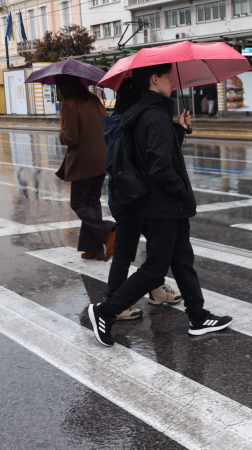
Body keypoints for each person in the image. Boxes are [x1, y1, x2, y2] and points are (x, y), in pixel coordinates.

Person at [88, 63, 232, 346]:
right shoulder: (155, 116)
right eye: (168, 76)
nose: (172, 82)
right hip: (164, 206)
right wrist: (183, 194)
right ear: (155, 79)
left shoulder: (144, 112)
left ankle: (198, 316)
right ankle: (105, 311)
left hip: (159, 205)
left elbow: (149, 154)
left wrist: (177, 129)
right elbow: (160, 168)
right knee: (155, 269)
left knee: (182, 261)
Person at [102, 76, 182, 321]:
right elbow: (138, 161)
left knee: (155, 246)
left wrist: (177, 128)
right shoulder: (126, 124)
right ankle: (114, 302)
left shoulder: (128, 120)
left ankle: (156, 290)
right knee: (125, 250)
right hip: (129, 198)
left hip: (137, 196)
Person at [57, 77, 116, 261]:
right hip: (101, 160)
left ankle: (107, 232)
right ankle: (93, 248)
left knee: (79, 203)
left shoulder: (70, 104)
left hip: (84, 162)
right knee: (92, 202)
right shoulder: (93, 100)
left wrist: (61, 135)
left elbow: (72, 138)